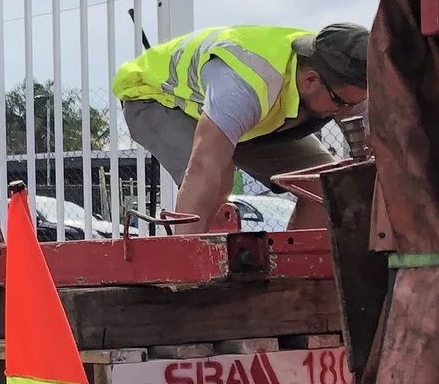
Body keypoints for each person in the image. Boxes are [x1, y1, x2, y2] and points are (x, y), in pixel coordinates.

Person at [112, 23, 369, 234]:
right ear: (311, 80)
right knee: (219, 179)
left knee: (328, 185)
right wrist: (185, 260)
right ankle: (197, 279)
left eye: (357, 103)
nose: (349, 112)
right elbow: (205, 166)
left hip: (247, 117)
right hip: (156, 98)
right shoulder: (247, 83)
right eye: (343, 103)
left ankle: (290, 276)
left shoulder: (346, 74)